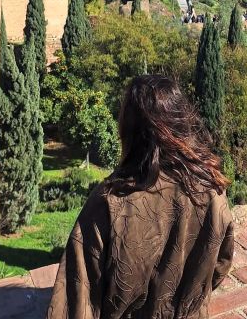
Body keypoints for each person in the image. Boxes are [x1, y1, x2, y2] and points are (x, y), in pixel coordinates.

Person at [47, 75, 234, 319]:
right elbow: (221, 265)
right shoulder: (212, 190)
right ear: (181, 122)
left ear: (128, 129)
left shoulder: (109, 201)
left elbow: (76, 297)